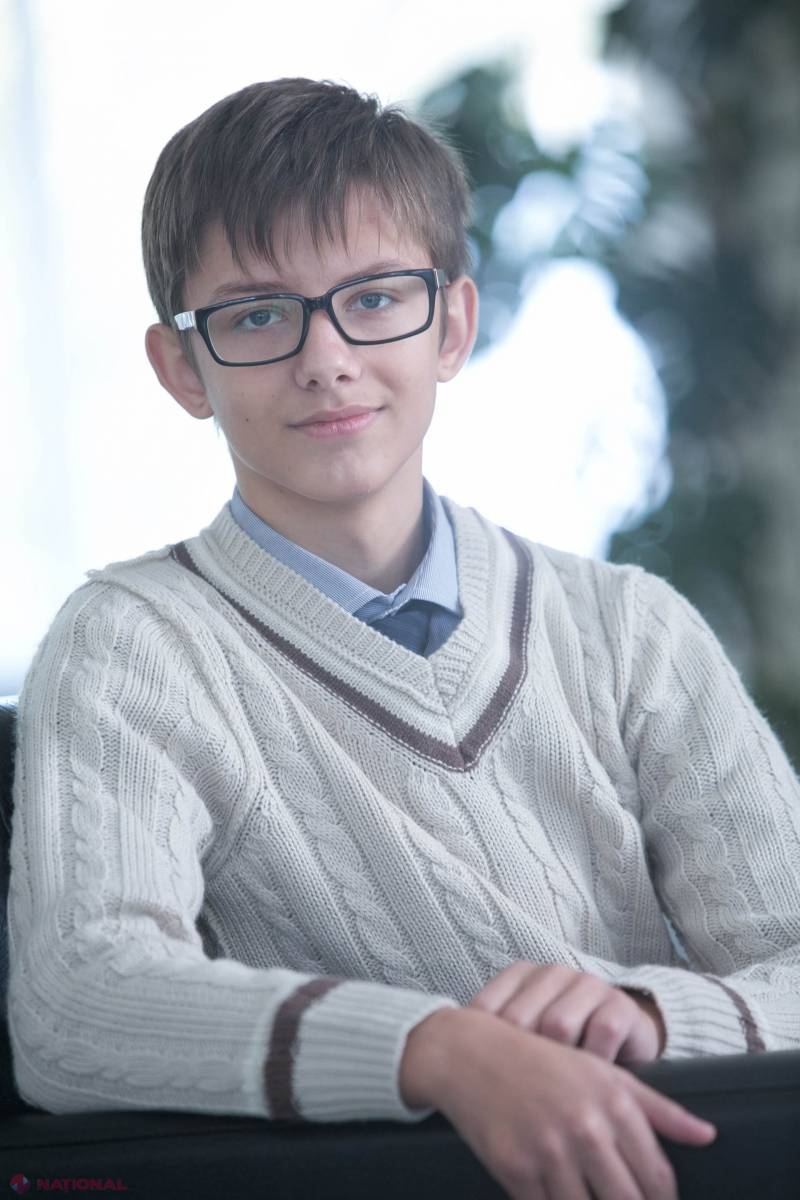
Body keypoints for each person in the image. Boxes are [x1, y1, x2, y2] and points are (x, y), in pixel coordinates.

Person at [8, 76, 800, 1200]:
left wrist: (645, 1013)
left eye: (375, 298)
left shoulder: (630, 628)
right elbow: (76, 1005)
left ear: (452, 326)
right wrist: (435, 1050)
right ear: (182, 367)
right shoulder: (133, 646)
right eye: (257, 315)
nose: (326, 358)